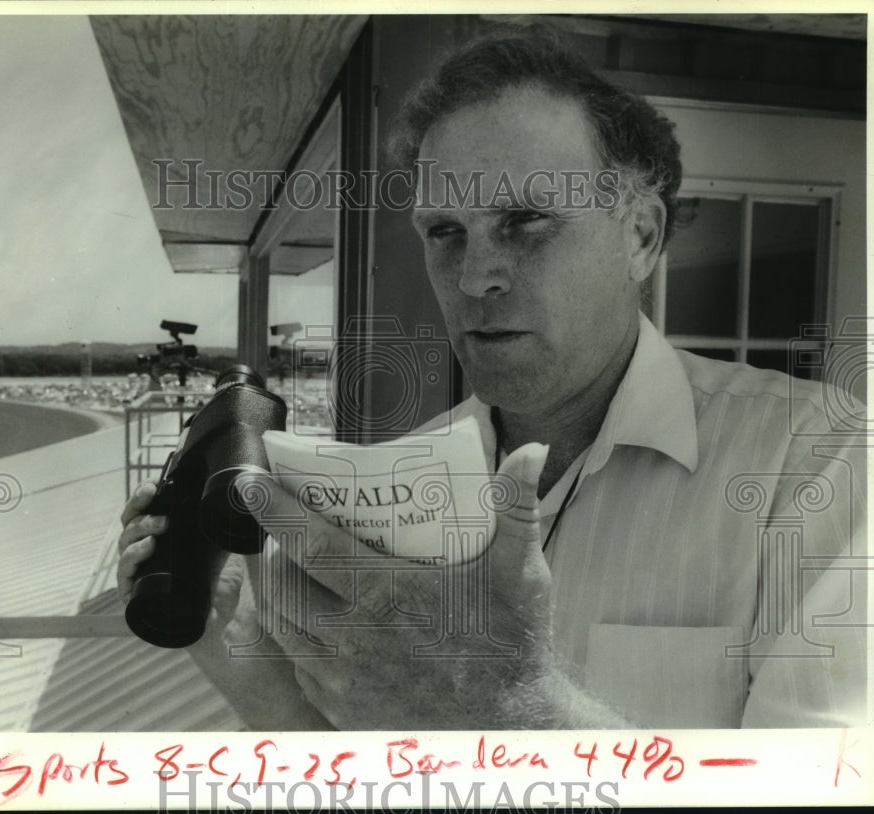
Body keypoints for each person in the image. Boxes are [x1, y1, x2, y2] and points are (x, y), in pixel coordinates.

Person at [117, 28, 867, 730]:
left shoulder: (820, 461)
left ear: (640, 235)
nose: (475, 277)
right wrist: (230, 636)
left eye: (526, 222)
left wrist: (508, 708)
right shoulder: (398, 478)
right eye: (445, 233)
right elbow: (364, 760)